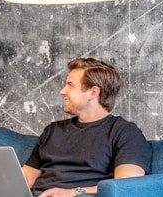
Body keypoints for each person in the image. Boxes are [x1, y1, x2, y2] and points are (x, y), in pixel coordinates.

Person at [22, 58, 151, 197]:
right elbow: (27, 178)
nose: (63, 91)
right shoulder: (53, 130)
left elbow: (126, 186)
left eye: (70, 85)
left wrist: (72, 193)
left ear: (93, 93)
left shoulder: (125, 132)